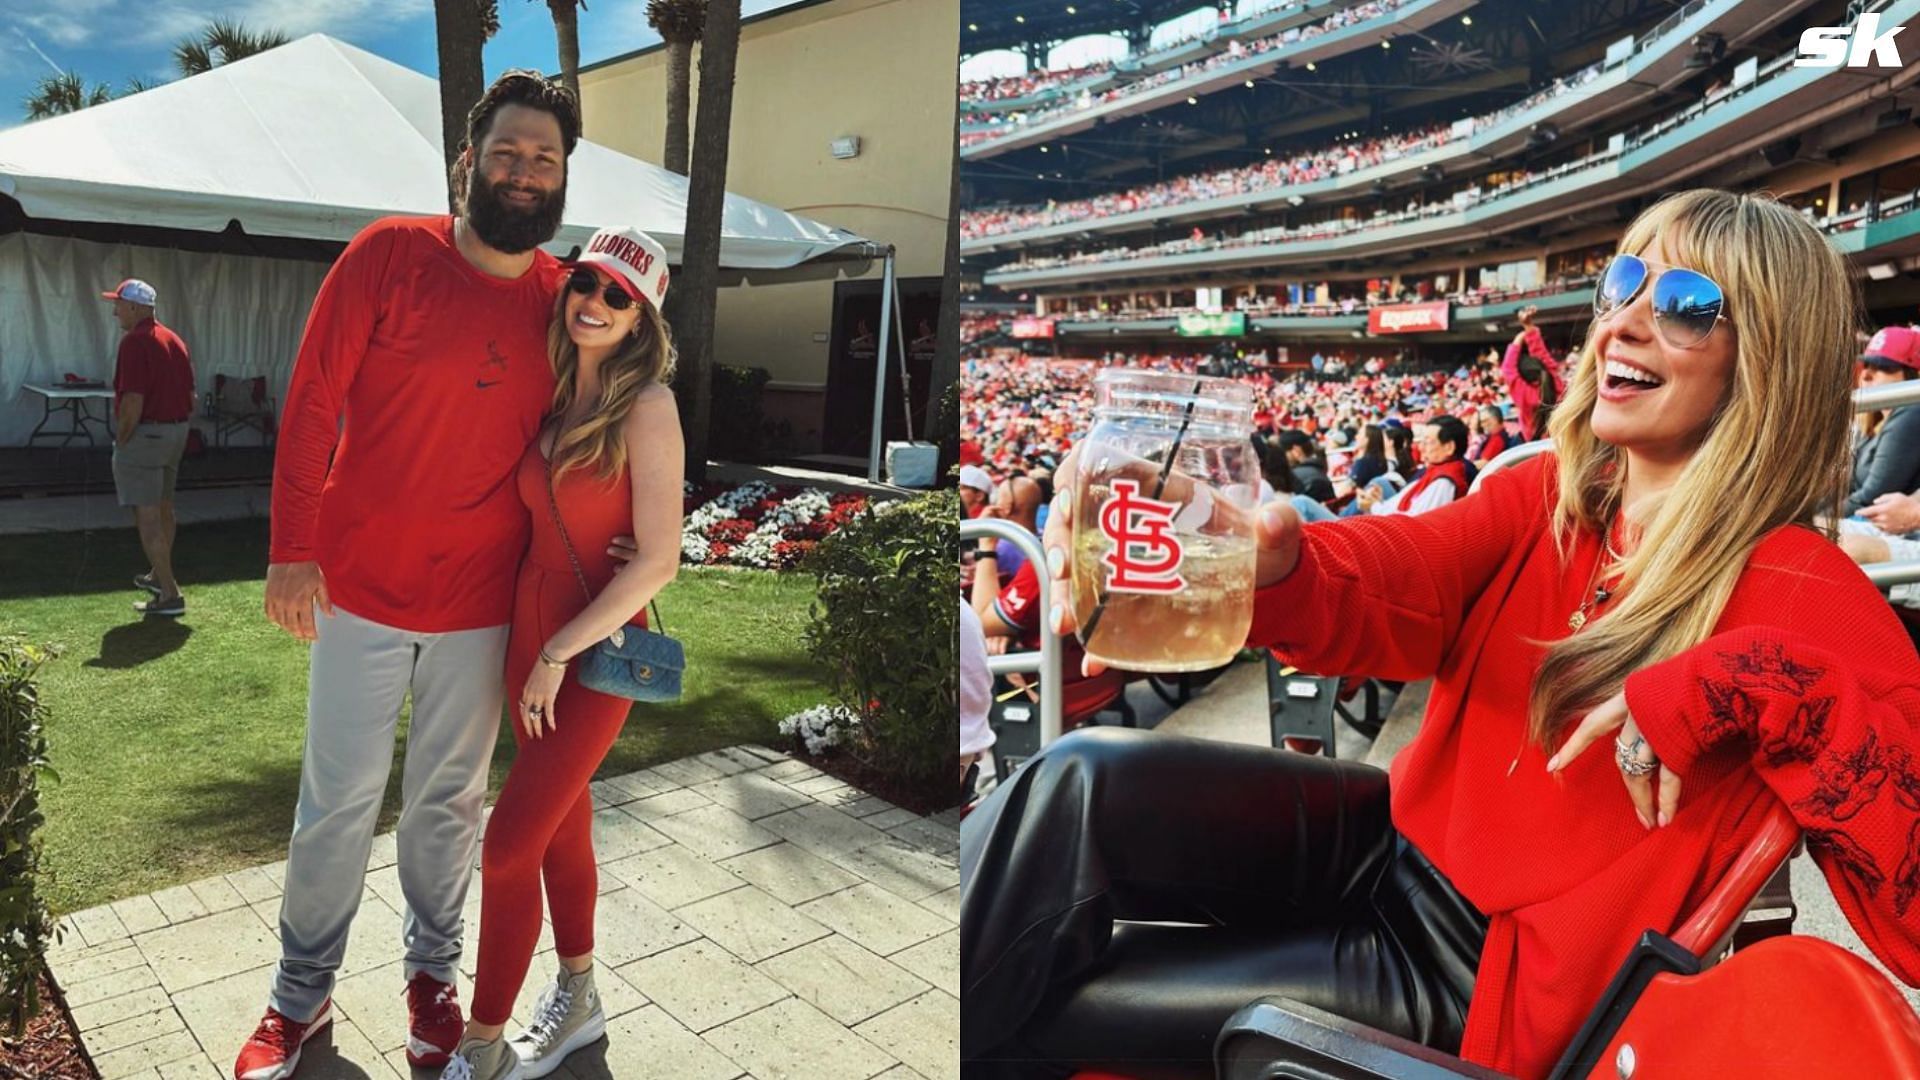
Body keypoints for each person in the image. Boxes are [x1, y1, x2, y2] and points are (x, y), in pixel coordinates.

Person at [961, 189, 1920, 1079]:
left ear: (1768, 354)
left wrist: (1743, 680)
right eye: (1621, 284)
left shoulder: (1802, 587)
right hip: (1388, 843)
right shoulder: (1546, 494)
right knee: (1080, 775)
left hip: (1474, 974)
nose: (1623, 321)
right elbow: (1406, 574)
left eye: (1684, 303)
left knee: (1058, 1000)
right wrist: (1279, 564)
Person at [237, 71, 587, 1080]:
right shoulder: (389, 255)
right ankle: (298, 998)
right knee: (337, 800)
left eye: (546, 158)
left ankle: (432, 981)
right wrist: (291, 550)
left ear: (564, 177)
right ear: (467, 162)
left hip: (484, 603)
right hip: (359, 589)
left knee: (449, 805)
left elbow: (602, 426)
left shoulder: (566, 299)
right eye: (509, 153)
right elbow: (311, 403)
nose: (525, 173)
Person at [445, 227, 683, 1080]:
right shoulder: (551, 395)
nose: (597, 302)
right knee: (556, 829)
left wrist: (555, 652)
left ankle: (483, 1044)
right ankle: (580, 996)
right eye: (587, 282)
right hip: (530, 636)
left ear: (643, 318)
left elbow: (660, 557)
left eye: (620, 296)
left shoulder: (647, 405)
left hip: (594, 647)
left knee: (508, 846)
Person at [103, 278, 194, 618]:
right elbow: (191, 398)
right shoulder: (174, 339)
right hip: (176, 432)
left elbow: (133, 403)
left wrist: (122, 439)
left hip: (147, 435)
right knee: (165, 507)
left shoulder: (134, 343)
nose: (115, 312)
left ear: (135, 307)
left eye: (118, 304)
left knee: (148, 516)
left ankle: (170, 593)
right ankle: (159, 576)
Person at [1845, 326, 1920, 515]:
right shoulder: (1873, 421)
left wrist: (1815, 517)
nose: (1866, 374)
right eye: (1867, 365)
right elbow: (1851, 488)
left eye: (1883, 367)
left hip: (1903, 536)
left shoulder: (1912, 412)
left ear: (1913, 376)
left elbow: (1870, 498)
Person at [1357, 415, 1469, 516]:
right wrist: (1378, 501)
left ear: (1449, 447)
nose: (1421, 448)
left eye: (1427, 442)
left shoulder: (1444, 482)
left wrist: (1373, 506)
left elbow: (1413, 522)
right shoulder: (1435, 472)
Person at [1501, 305, 1564, 440]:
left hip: (1537, 449)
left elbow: (1508, 370)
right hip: (1565, 441)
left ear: (1523, 378)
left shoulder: (1525, 394)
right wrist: (1528, 327)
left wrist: (1520, 336)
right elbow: (1541, 355)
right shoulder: (1556, 382)